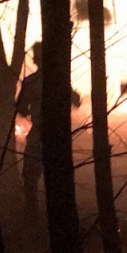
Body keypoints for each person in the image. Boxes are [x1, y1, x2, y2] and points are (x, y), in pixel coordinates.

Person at [15, 42, 81, 215]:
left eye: (36, 55)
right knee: (56, 179)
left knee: (30, 178)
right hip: (57, 136)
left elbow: (20, 108)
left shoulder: (32, 81)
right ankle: (56, 216)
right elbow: (75, 102)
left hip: (41, 134)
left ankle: (33, 215)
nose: (34, 58)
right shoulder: (59, 79)